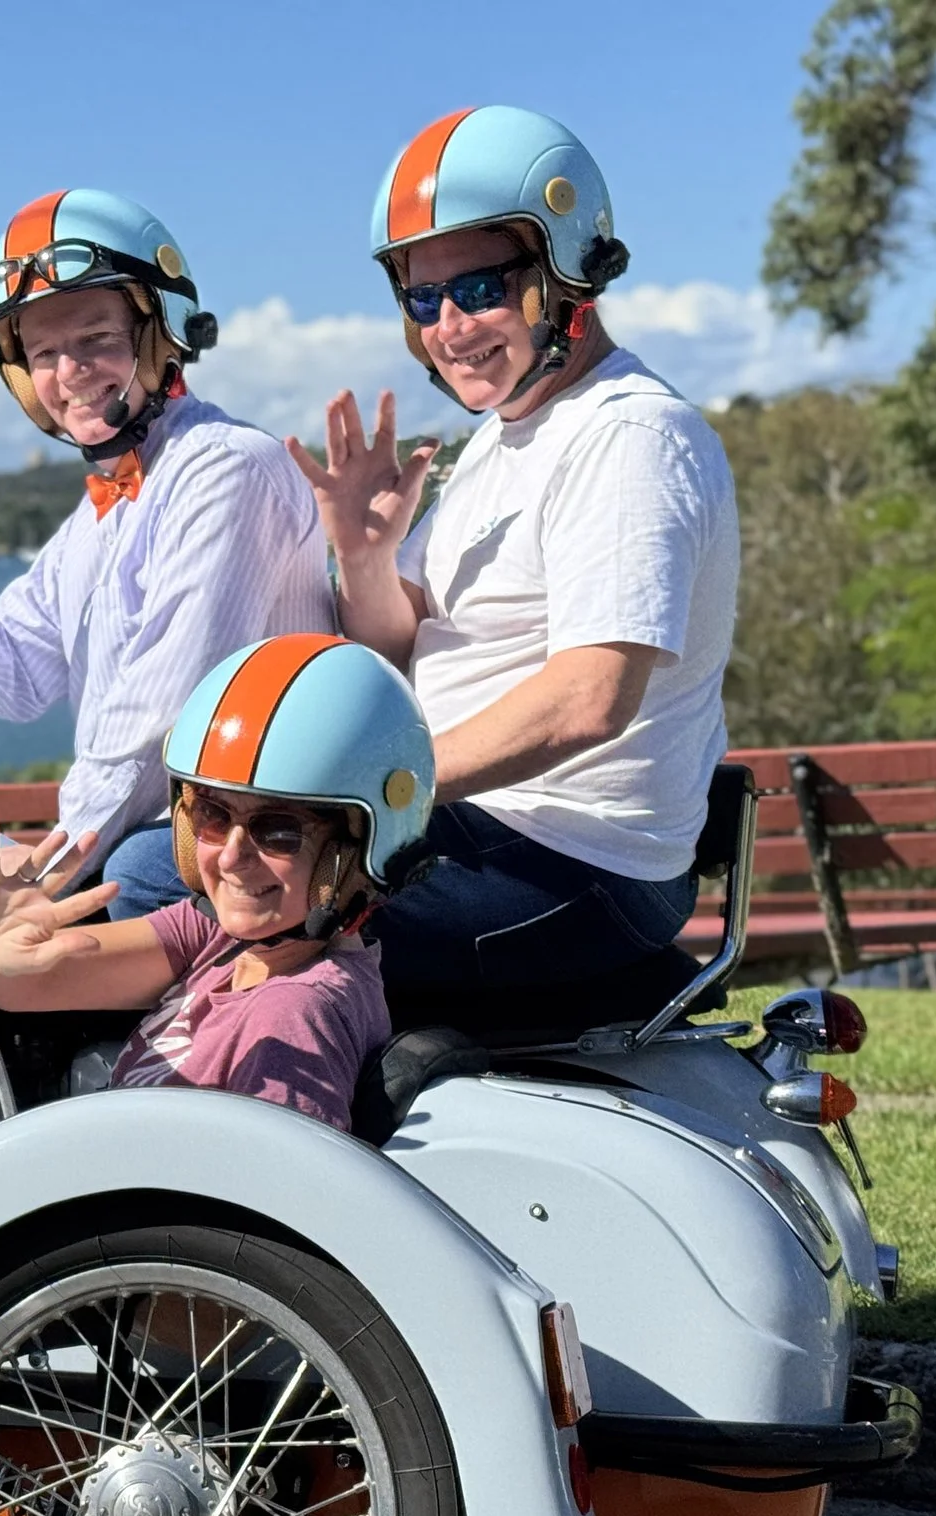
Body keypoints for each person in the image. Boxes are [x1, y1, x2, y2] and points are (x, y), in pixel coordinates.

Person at [288, 106, 740, 1000]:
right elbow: (401, 643)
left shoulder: (631, 438)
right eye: (424, 301)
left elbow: (589, 699)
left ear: (569, 272)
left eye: (481, 288)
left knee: (248, 926)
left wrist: (376, 793)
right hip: (476, 826)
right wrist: (365, 559)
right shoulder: (504, 438)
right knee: (183, 874)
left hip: (574, 855)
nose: (450, 327)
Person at [0, 188, 333, 923]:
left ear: (161, 332)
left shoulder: (226, 468)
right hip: (165, 833)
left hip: (263, 848)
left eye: (96, 339)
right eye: (43, 353)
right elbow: (6, 678)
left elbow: (158, 717)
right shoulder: (101, 512)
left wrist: (45, 865)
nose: (69, 370)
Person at [0, 635, 432, 1133]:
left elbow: (271, 1199)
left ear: (358, 852)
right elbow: (30, 983)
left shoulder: (290, 1014)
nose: (231, 856)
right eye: (211, 813)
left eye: (279, 831)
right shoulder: (224, 939)